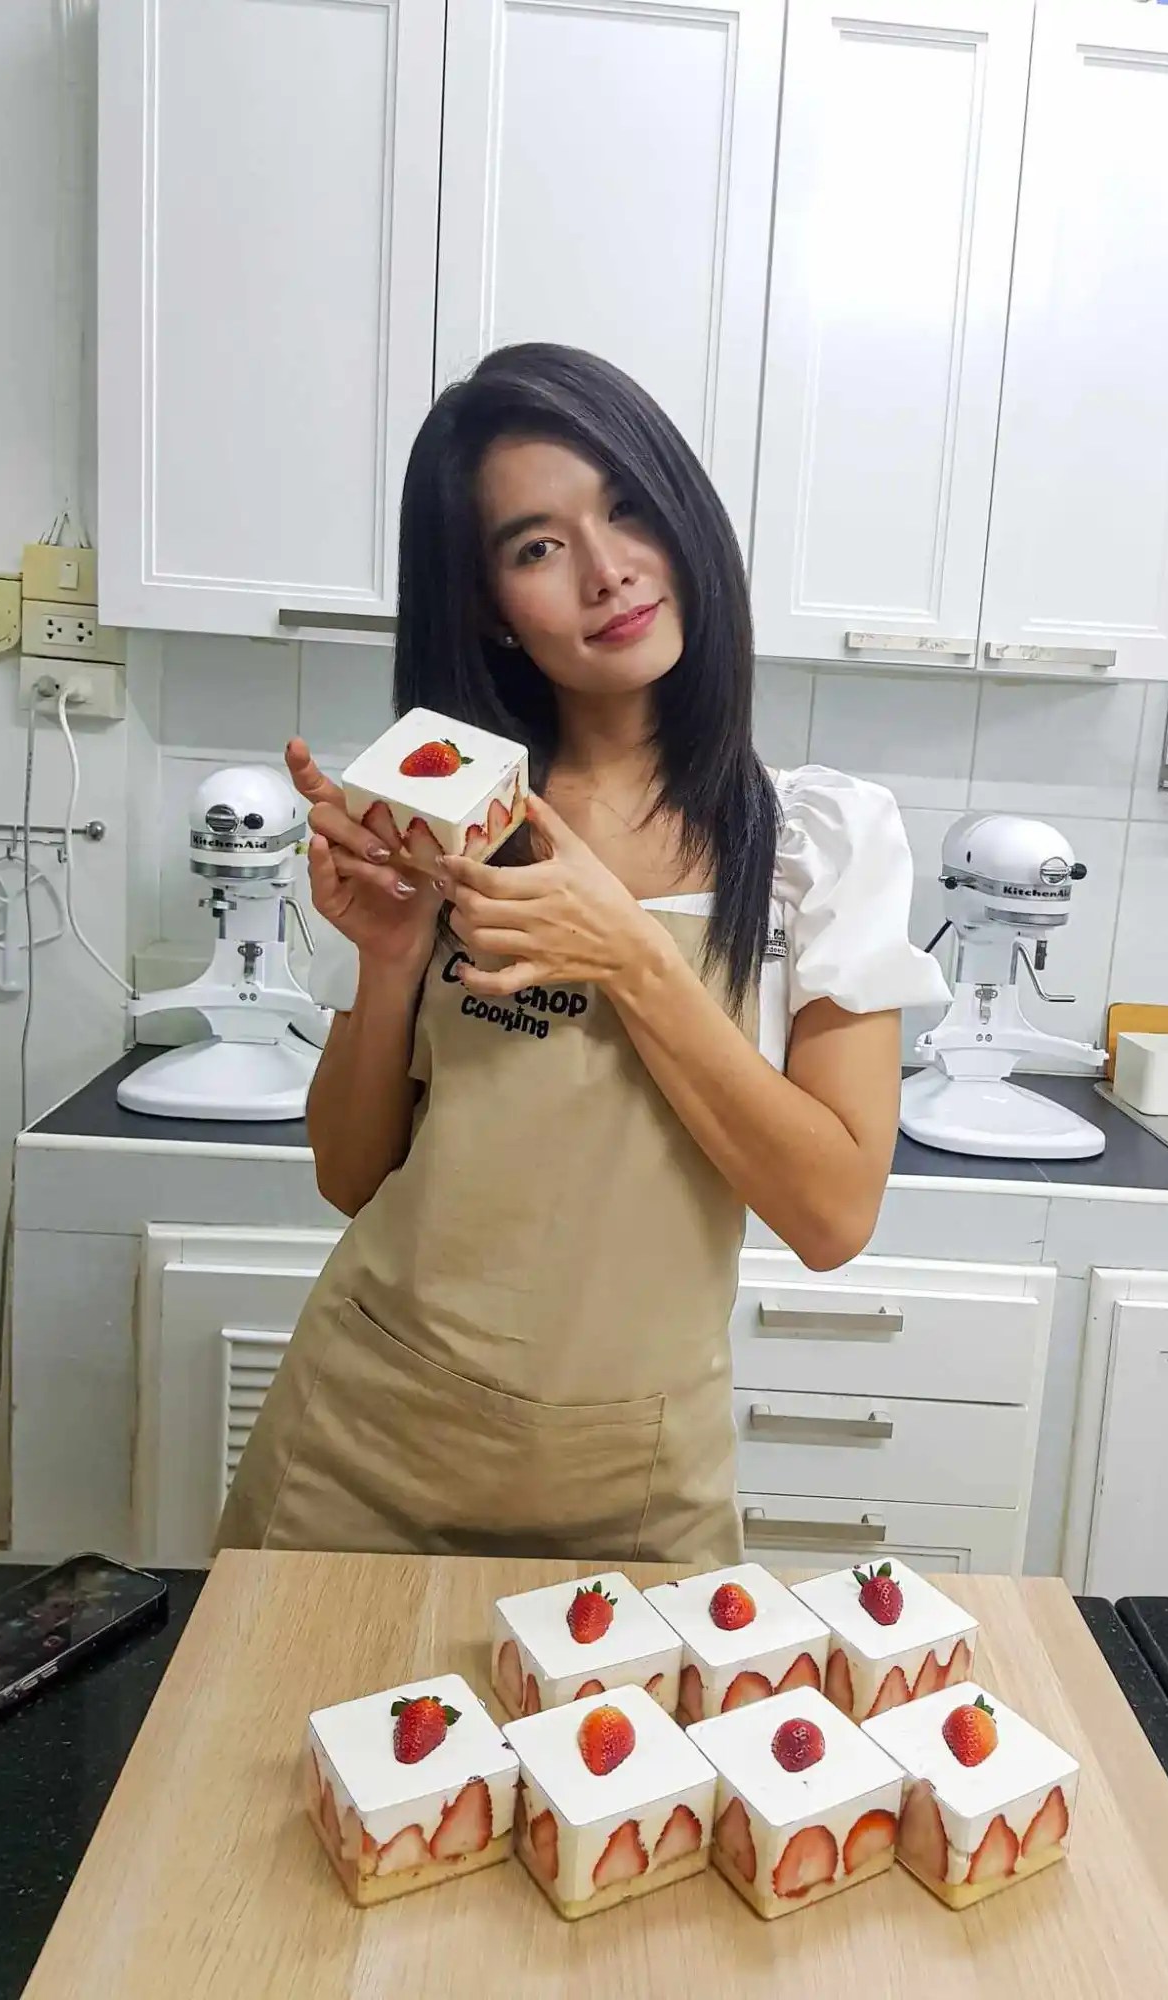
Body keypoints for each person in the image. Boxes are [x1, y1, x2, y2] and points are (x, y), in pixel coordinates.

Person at [217, 344, 944, 1564]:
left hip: (641, 1479)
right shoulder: (452, 813)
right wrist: (390, 959)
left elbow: (831, 1212)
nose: (608, 570)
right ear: (490, 607)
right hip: (362, 1446)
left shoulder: (819, 838)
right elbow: (349, 1172)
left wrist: (634, 958)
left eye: (630, 508)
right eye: (538, 546)